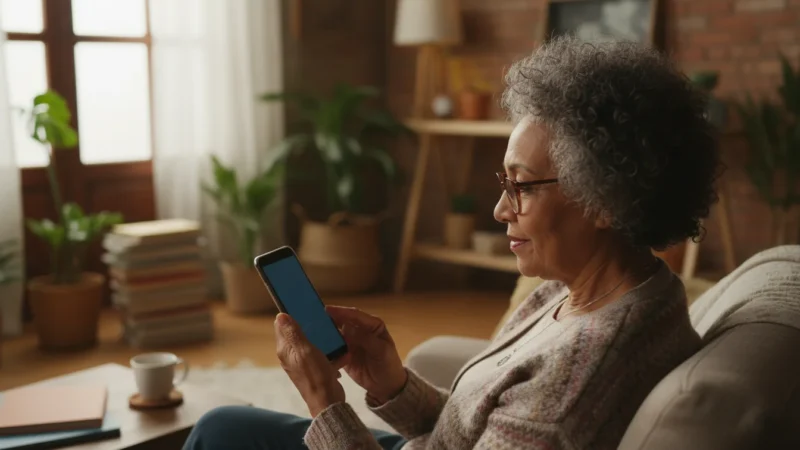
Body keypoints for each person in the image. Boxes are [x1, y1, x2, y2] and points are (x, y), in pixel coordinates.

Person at [183, 35, 721, 450]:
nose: (499, 209)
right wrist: (391, 383)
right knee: (224, 425)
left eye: (522, 186)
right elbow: (470, 430)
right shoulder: (591, 289)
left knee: (218, 434)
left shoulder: (576, 379)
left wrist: (324, 398)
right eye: (503, 184)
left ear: (605, 199)